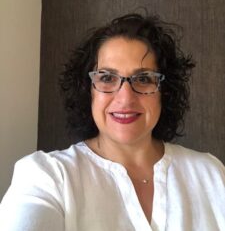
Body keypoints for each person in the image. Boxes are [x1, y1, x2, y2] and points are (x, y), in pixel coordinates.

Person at [0, 13, 224, 231]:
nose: (125, 98)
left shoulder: (211, 174)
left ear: (164, 92)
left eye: (144, 78)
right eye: (107, 78)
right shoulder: (47, 176)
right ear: (88, 91)